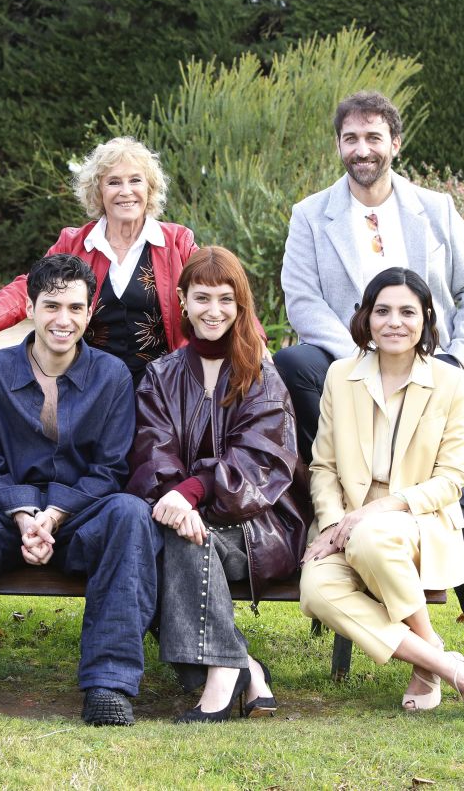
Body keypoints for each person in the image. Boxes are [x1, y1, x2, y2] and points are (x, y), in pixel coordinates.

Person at [273, 91, 464, 679]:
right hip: (349, 364)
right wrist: (366, 356)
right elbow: (302, 299)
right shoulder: (311, 215)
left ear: (395, 143)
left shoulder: (435, 209)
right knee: (294, 362)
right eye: (351, 138)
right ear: (338, 145)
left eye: (374, 137)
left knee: (442, 482)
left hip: (429, 367)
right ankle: (344, 502)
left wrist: (457, 361)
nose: (362, 149)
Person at [0, 254, 161, 726]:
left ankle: (109, 684)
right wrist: (26, 514)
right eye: (51, 306)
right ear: (29, 308)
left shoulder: (111, 376)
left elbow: (110, 469)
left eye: (74, 308)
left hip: (80, 522)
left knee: (130, 512)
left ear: (89, 312)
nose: (62, 320)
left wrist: (55, 514)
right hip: (7, 522)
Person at [299, 267, 464, 714]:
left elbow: (453, 477)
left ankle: (430, 666)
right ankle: (439, 661)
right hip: (347, 519)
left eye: (408, 312)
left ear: (426, 318)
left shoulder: (451, 381)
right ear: (366, 317)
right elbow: (324, 466)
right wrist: (332, 526)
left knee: (370, 536)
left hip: (417, 520)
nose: (394, 322)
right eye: (382, 311)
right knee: (316, 589)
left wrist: (378, 511)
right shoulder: (340, 375)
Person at [127, 246, 310, 723]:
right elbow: (151, 453)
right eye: (202, 298)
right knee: (163, 540)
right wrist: (178, 501)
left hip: (261, 525)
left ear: (240, 304)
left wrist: (191, 494)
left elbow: (260, 461)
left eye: (226, 299)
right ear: (182, 301)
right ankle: (241, 666)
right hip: (183, 518)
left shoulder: (261, 376)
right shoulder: (161, 376)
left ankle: (222, 677)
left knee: (184, 539)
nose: (214, 311)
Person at [0, 136, 196, 383]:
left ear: (149, 188)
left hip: (163, 388)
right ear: (98, 191)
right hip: (90, 387)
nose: (126, 191)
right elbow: (28, 288)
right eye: (114, 182)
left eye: (135, 180)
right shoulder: (74, 244)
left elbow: (212, 290)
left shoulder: (178, 242)